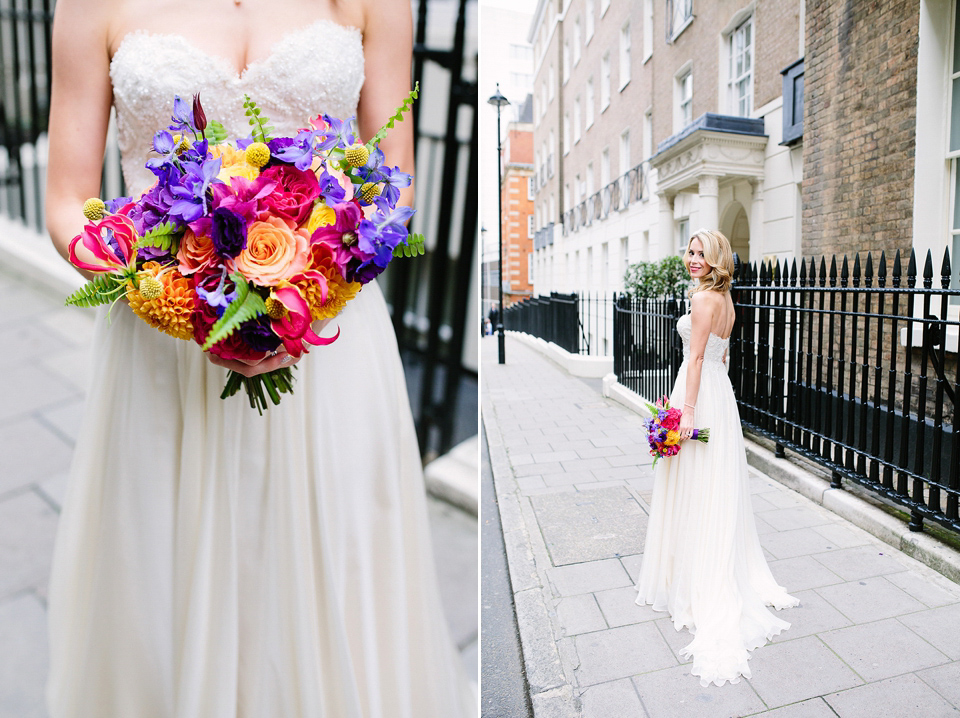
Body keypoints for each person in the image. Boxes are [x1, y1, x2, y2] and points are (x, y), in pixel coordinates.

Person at [43, 0, 476, 715]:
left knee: (333, 580)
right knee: (162, 587)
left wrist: (301, 294)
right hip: (166, 353)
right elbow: (66, 201)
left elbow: (393, 190)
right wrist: (173, 290)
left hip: (329, 345)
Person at [634, 229, 799, 688]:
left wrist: (683, 412)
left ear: (716, 259)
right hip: (719, 397)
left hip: (701, 397)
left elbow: (698, 357)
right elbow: (717, 362)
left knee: (695, 485)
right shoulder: (726, 301)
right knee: (712, 487)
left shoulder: (704, 302)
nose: (692, 258)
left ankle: (695, 580)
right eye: (689, 251)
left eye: (700, 253)